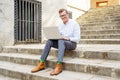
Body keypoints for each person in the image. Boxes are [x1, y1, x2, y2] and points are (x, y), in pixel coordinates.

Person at [31, 9, 80, 75]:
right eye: (61, 16)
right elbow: (58, 36)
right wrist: (54, 36)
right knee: (49, 41)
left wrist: (67, 38)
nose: (63, 17)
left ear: (67, 14)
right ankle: (41, 63)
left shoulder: (74, 23)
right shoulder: (60, 25)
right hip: (61, 43)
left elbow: (77, 39)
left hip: (72, 44)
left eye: (64, 15)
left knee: (61, 40)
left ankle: (59, 66)